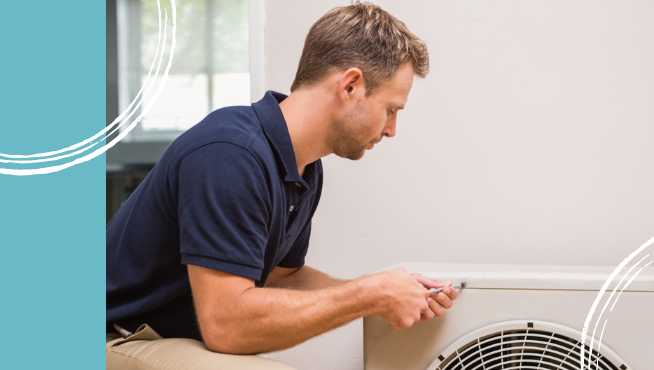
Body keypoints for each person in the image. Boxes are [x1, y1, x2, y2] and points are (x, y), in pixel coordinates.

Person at [106, 2, 457, 369]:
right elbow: (227, 327)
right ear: (350, 86)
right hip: (115, 335)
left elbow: (281, 279)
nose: (391, 129)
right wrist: (368, 295)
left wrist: (383, 293)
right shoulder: (230, 154)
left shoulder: (303, 168)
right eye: (391, 109)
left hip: (170, 341)